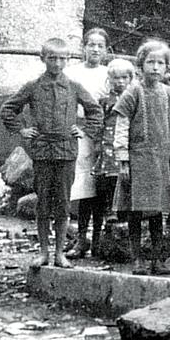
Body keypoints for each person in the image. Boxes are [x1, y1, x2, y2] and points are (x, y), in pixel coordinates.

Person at [1, 38, 103, 269]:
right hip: (43, 153)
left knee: (63, 203)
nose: (57, 63)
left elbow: (95, 110)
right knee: (43, 203)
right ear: (43, 58)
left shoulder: (74, 87)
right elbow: (8, 109)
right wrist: (22, 130)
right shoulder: (33, 86)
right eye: (52, 58)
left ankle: (59, 254)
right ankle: (44, 252)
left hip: (67, 152)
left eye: (62, 58)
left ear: (68, 60)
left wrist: (84, 128)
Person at [112, 39, 170, 274]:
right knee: (136, 209)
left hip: (161, 160)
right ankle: (137, 259)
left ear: (167, 67)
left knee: (157, 211)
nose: (155, 67)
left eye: (160, 63)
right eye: (150, 62)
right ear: (141, 65)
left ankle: (157, 259)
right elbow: (122, 126)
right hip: (138, 160)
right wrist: (123, 160)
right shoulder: (133, 92)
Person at [64, 28, 110, 259]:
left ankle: (100, 239)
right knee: (83, 188)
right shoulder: (72, 72)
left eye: (100, 45)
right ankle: (81, 238)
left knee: (101, 188)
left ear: (106, 50)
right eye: (91, 44)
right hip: (79, 132)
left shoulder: (109, 74)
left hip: (103, 136)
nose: (95, 49)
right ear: (84, 47)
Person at [89, 58, 135, 258]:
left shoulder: (134, 99)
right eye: (116, 78)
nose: (120, 82)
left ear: (130, 79)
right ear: (110, 79)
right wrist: (97, 143)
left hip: (125, 144)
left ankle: (121, 210)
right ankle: (110, 210)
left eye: (124, 78)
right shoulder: (105, 101)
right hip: (107, 142)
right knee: (106, 178)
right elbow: (99, 122)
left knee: (123, 177)